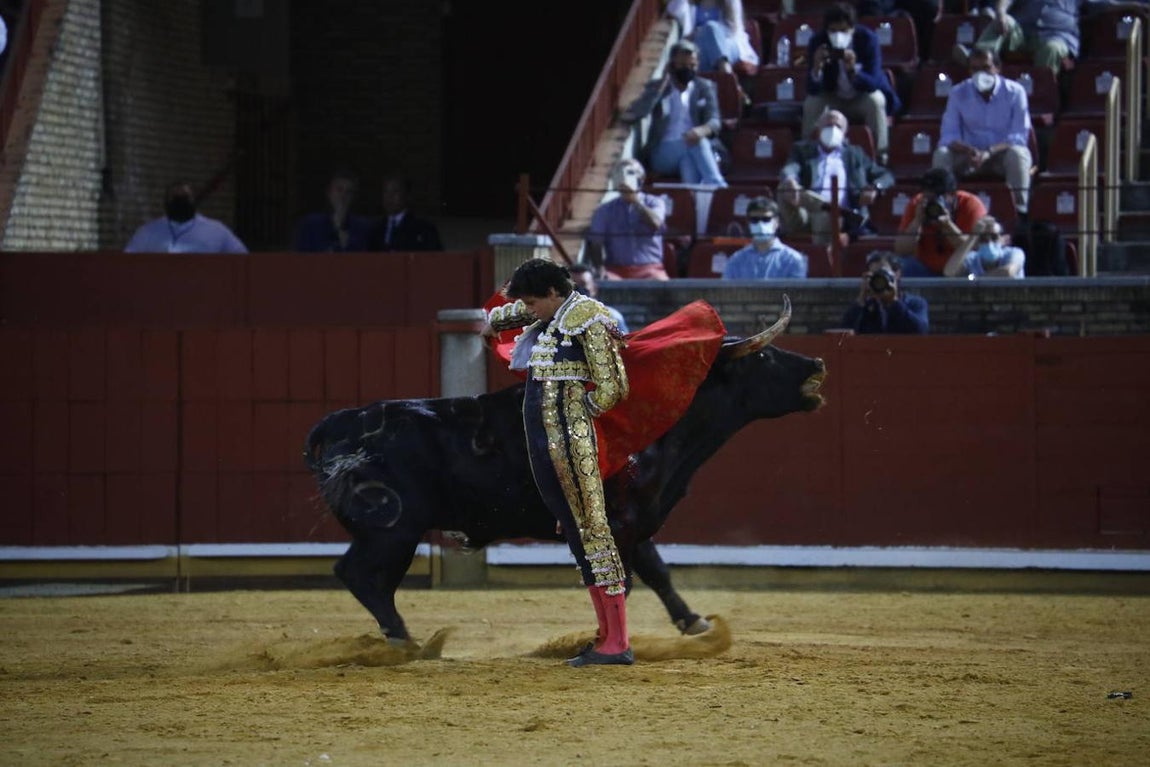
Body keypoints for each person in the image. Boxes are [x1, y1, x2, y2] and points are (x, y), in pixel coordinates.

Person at [483, 259, 634, 667]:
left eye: (534, 302)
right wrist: (493, 322)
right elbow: (511, 313)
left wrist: (581, 411)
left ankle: (618, 643)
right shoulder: (552, 313)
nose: (529, 310)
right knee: (574, 531)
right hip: (543, 442)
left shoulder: (589, 317)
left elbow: (614, 385)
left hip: (571, 440)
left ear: (553, 293)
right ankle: (606, 637)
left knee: (593, 531)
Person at [933, 48, 1033, 218]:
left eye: (986, 68)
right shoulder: (958, 93)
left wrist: (989, 152)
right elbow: (948, 136)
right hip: (969, 157)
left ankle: (1020, 212)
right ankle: (941, 209)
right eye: (975, 69)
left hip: (1000, 155)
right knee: (942, 154)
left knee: (1019, 154)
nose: (980, 74)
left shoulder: (1015, 92)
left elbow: (1018, 136)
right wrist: (969, 150)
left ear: (997, 68)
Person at [802, 2, 901, 165]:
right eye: (833, 31)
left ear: (853, 28)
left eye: (843, 30)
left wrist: (853, 72)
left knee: (876, 101)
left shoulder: (867, 39)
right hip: (833, 98)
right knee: (811, 103)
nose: (838, 35)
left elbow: (873, 82)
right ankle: (806, 155)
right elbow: (811, 89)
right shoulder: (818, 41)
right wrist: (816, 68)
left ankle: (880, 157)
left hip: (860, 97)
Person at [777, 109, 895, 245]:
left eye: (837, 126)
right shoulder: (802, 150)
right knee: (784, 187)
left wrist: (875, 187)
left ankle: (830, 212)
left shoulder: (855, 154)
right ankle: (827, 206)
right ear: (818, 129)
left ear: (845, 132)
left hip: (842, 220)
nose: (832, 129)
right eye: (828, 125)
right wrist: (790, 179)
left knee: (826, 216)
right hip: (806, 214)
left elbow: (886, 175)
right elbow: (790, 167)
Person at [640, 39, 729, 187]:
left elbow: (715, 120)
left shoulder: (704, 87)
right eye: (682, 65)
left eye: (692, 66)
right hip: (662, 152)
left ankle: (694, 196)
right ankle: (719, 186)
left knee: (688, 163)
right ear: (672, 65)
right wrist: (662, 83)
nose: (687, 69)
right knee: (698, 143)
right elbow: (642, 110)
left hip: (691, 147)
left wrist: (701, 130)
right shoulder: (659, 88)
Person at [584, 158, 670, 281]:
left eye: (630, 174)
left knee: (660, 281)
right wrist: (599, 267)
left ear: (641, 179)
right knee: (603, 281)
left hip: (650, 269)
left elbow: (656, 223)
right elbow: (595, 242)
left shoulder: (655, 202)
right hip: (616, 270)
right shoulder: (604, 210)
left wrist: (635, 202)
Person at [894, 167, 986, 277]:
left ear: (952, 195)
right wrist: (917, 221)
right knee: (902, 265)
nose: (933, 201)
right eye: (928, 195)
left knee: (971, 262)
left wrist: (948, 225)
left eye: (938, 196)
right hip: (925, 268)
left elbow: (972, 248)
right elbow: (901, 250)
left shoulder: (971, 205)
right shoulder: (918, 204)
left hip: (958, 269)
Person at [124, 181, 248, 253]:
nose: (180, 203)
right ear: (165, 203)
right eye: (175, 199)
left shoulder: (216, 231)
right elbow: (128, 263)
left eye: (185, 198)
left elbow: (242, 259)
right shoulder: (147, 232)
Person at [965, 0, 1081, 75]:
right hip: (1023, 33)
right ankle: (977, 56)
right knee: (1005, 21)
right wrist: (1000, 13)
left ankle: (1040, 94)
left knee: (1052, 48)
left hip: (1058, 36)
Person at [841, 251, 930, 334]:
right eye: (874, 275)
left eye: (882, 273)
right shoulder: (867, 306)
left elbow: (921, 331)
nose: (878, 279)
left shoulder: (914, 303)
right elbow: (844, 332)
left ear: (897, 274)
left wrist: (894, 302)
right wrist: (861, 300)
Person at [721, 197, 808, 279]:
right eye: (754, 220)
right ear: (748, 223)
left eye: (766, 219)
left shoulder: (793, 260)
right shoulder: (735, 261)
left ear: (777, 222)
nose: (760, 224)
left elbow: (794, 290)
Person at [665, 0, 760, 75]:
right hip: (700, 49)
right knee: (699, 49)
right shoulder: (689, 4)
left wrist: (707, 31)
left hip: (729, 46)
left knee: (710, 28)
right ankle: (727, 76)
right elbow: (673, 9)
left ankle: (725, 72)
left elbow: (734, 31)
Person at [292, 170, 372, 252]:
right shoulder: (310, 225)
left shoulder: (362, 228)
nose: (343, 196)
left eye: (349, 192)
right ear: (329, 193)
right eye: (339, 190)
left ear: (353, 197)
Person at [368, 174, 442, 252]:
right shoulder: (376, 228)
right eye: (386, 192)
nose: (389, 197)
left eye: (395, 191)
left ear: (407, 195)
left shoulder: (423, 228)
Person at [944, 215, 1027, 277]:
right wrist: (972, 237)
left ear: (1003, 238)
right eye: (983, 239)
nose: (989, 242)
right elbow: (949, 272)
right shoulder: (972, 259)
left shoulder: (1015, 253)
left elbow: (1008, 272)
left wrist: (973, 280)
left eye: (994, 237)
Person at [569, 263, 630, 332]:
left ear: (594, 289)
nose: (578, 290)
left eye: (583, 284)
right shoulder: (560, 319)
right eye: (573, 286)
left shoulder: (612, 318)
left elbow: (624, 338)